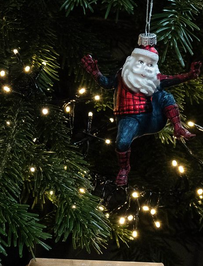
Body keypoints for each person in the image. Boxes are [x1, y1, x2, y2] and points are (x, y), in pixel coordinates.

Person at [82, 42, 201, 186]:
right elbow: (107, 84)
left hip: (153, 118)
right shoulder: (122, 75)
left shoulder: (153, 78)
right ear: (132, 61)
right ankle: (124, 168)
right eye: (141, 62)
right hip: (129, 118)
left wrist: (189, 75)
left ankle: (178, 126)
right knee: (121, 142)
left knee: (163, 95)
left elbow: (171, 79)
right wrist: (95, 72)